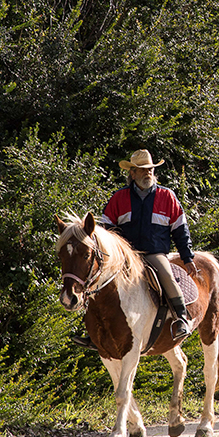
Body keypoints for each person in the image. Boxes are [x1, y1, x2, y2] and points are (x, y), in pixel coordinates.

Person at [73, 149, 197, 350]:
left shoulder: (168, 196)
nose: (147, 172)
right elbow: (104, 230)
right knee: (96, 281)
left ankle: (181, 318)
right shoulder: (118, 198)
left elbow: (180, 229)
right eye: (142, 170)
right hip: (123, 257)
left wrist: (187, 256)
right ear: (132, 173)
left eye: (150, 169)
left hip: (154, 253)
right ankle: (92, 332)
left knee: (166, 275)